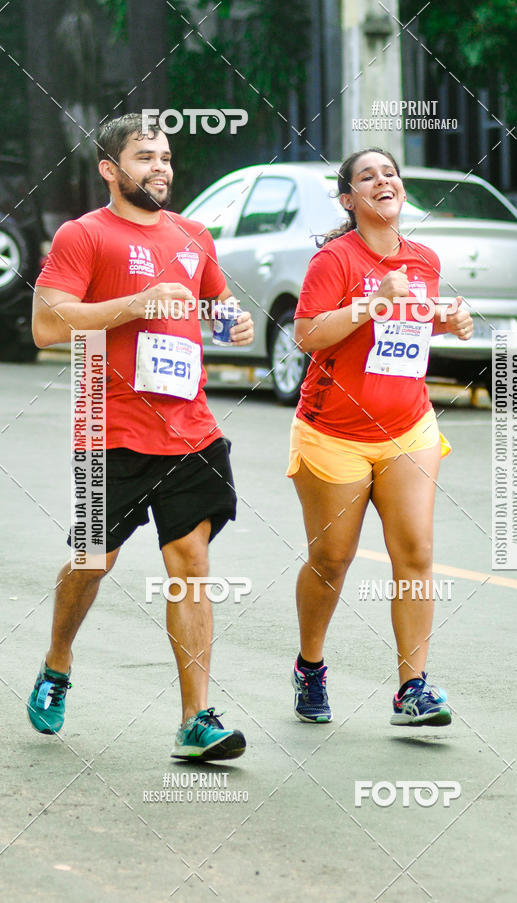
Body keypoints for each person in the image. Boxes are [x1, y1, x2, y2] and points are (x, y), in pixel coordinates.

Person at [27, 113, 254, 761]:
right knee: (95, 559)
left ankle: (196, 719)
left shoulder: (194, 235)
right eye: (145, 156)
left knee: (191, 563)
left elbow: (214, 303)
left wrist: (231, 321)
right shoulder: (84, 235)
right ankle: (58, 660)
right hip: (109, 432)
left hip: (190, 430)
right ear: (110, 169)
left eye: (167, 157)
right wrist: (132, 304)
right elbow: (47, 325)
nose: (161, 167)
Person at [288, 148, 473, 726]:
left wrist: (449, 319)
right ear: (349, 200)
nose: (382, 180)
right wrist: (371, 302)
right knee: (332, 558)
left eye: (390, 173)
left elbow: (410, 326)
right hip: (333, 432)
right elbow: (307, 335)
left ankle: (412, 689)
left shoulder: (424, 258)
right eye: (367, 176)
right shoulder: (334, 259)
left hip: (408, 427)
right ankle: (311, 666)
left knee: (415, 552)